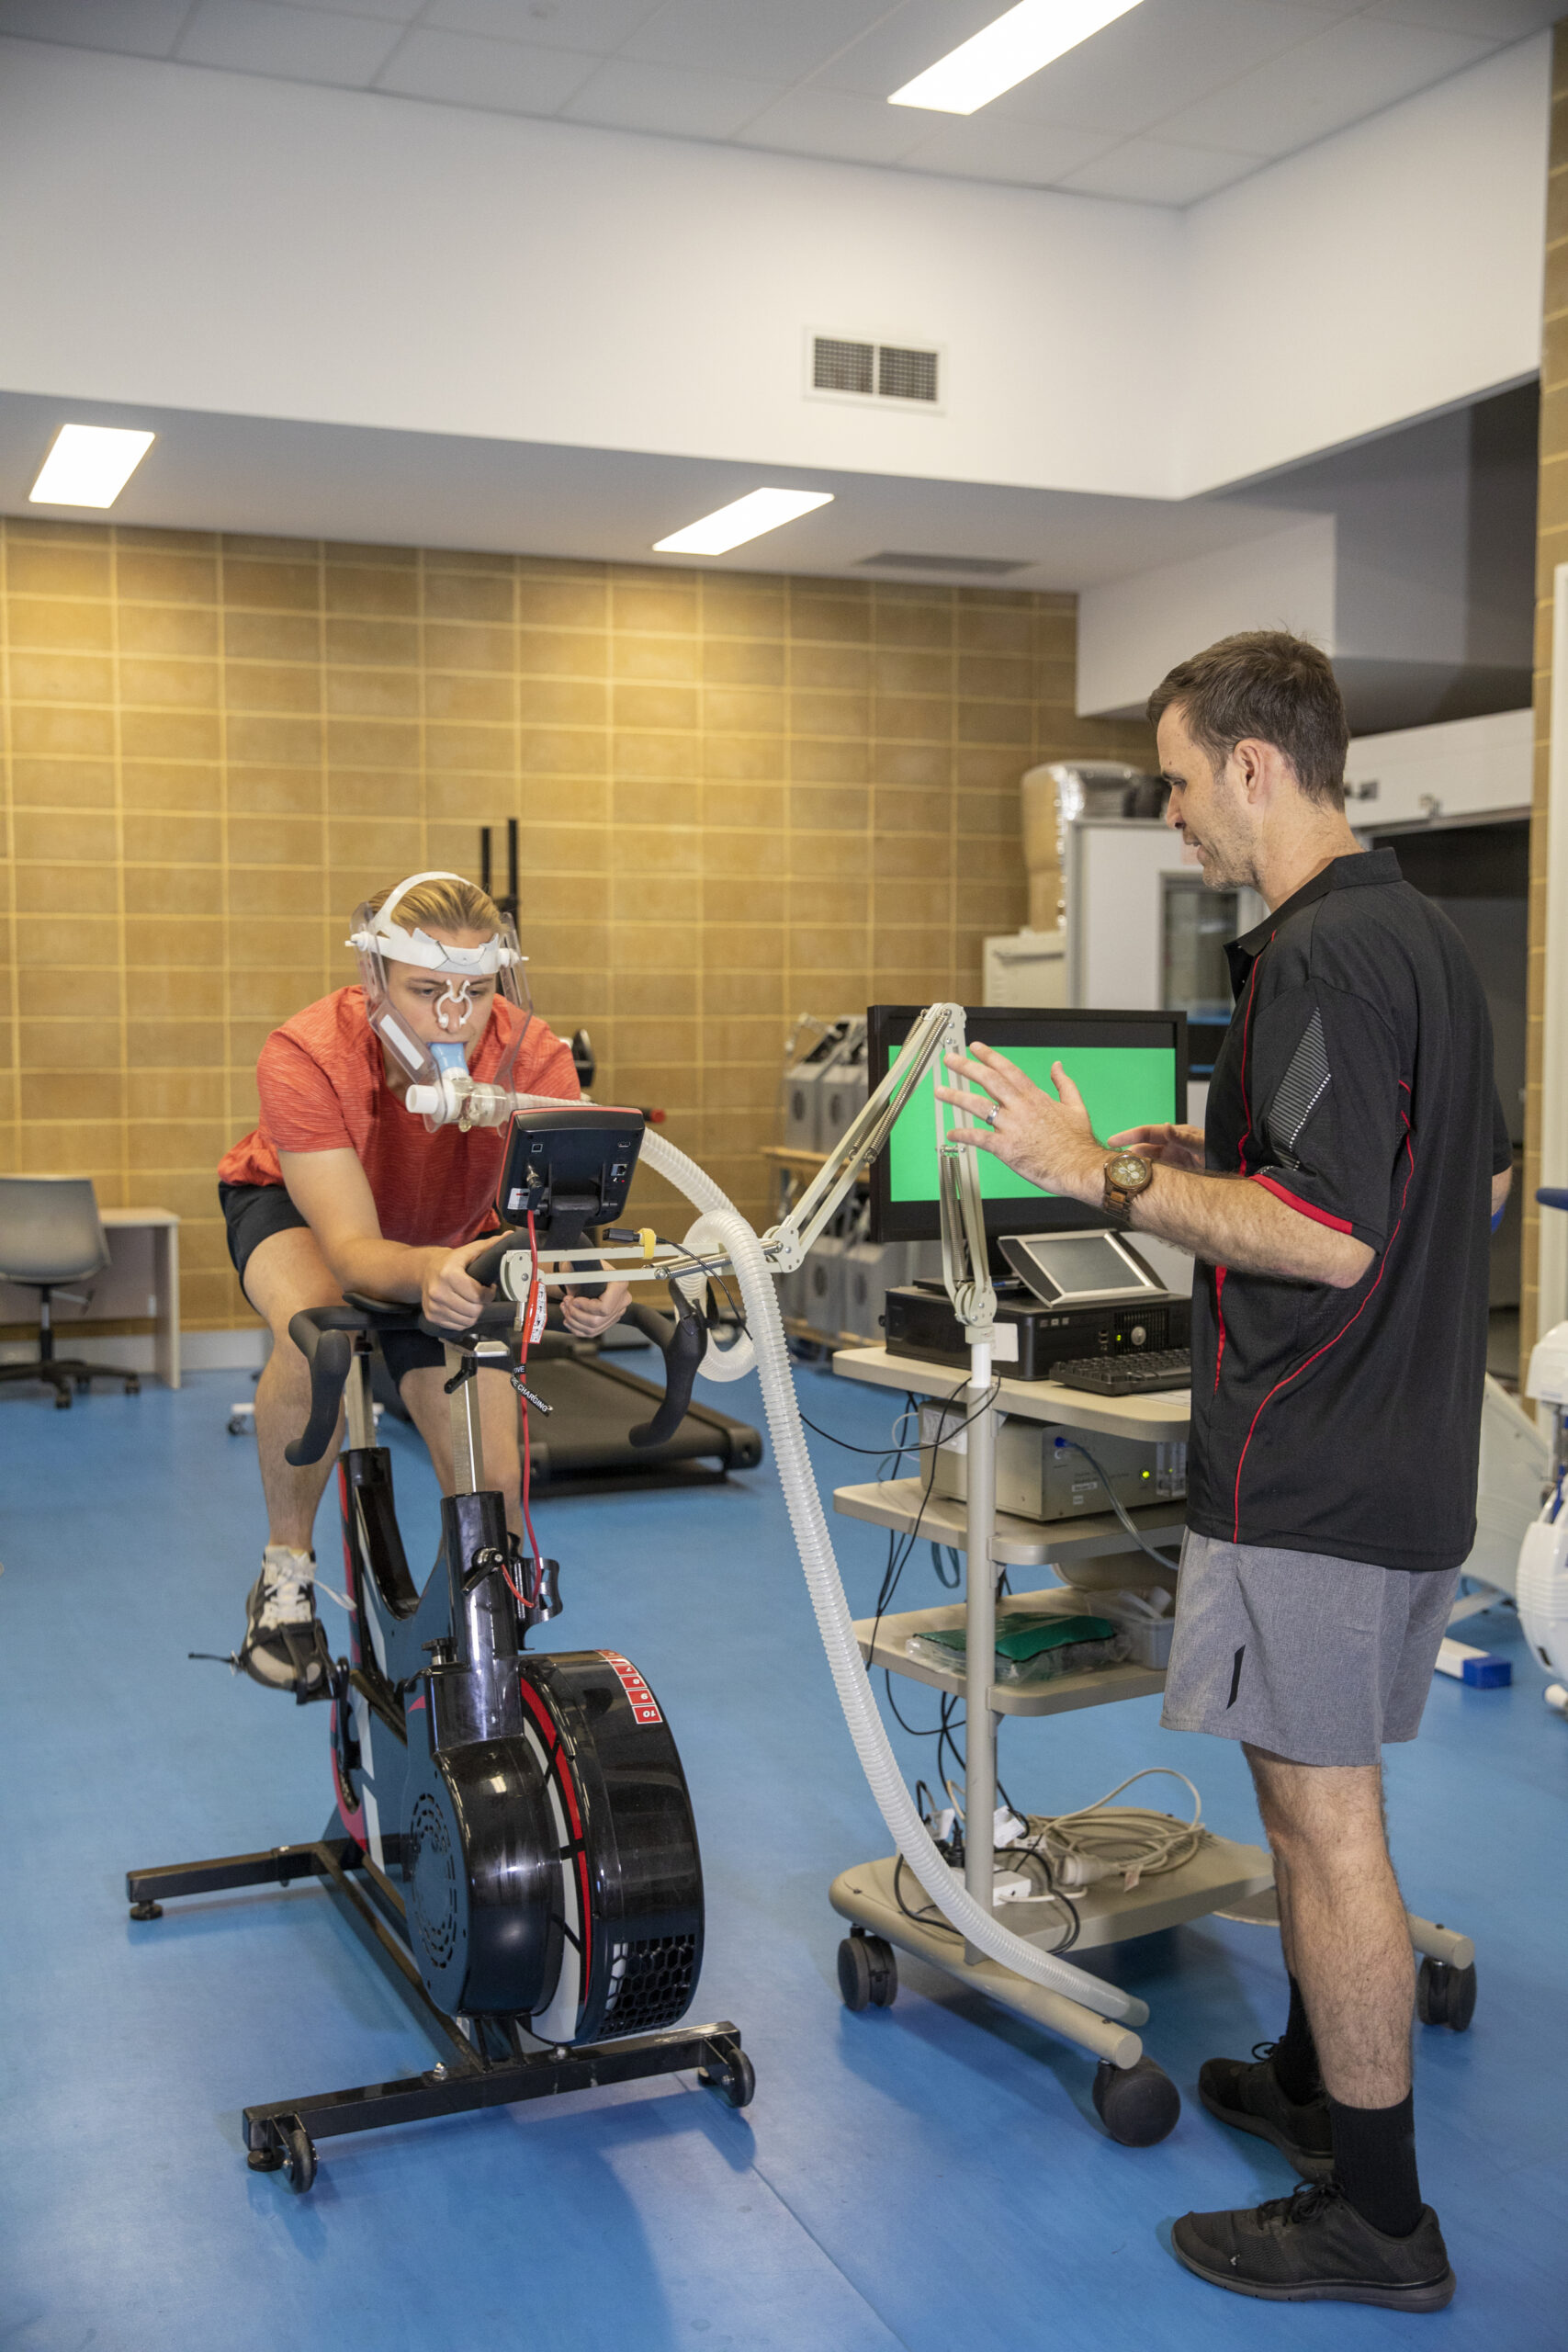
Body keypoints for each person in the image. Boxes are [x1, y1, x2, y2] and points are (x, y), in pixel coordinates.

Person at [937, 632, 1510, 2314]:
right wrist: (1218, 1164)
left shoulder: (1324, 957)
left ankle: (1379, 2221)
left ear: (1254, 770)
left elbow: (1328, 1244)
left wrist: (1100, 1174)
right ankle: (1319, 2083)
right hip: (1407, 1457)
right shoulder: (1420, 941)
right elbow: (1455, 1194)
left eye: (1181, 784)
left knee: (1324, 1833)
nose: (1176, 818)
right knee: (1297, 1800)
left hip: (1315, 1465)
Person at [217, 871, 629, 1694]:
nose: (453, 1018)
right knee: (319, 1332)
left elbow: (565, 1223)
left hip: (448, 1232)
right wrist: (428, 1270)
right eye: (426, 990)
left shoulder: (533, 1055)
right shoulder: (306, 1053)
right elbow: (353, 1249)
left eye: (475, 993)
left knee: (491, 1457)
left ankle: (490, 1606)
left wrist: (589, 1277)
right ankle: (285, 1574)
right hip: (302, 1213)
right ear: (375, 978)